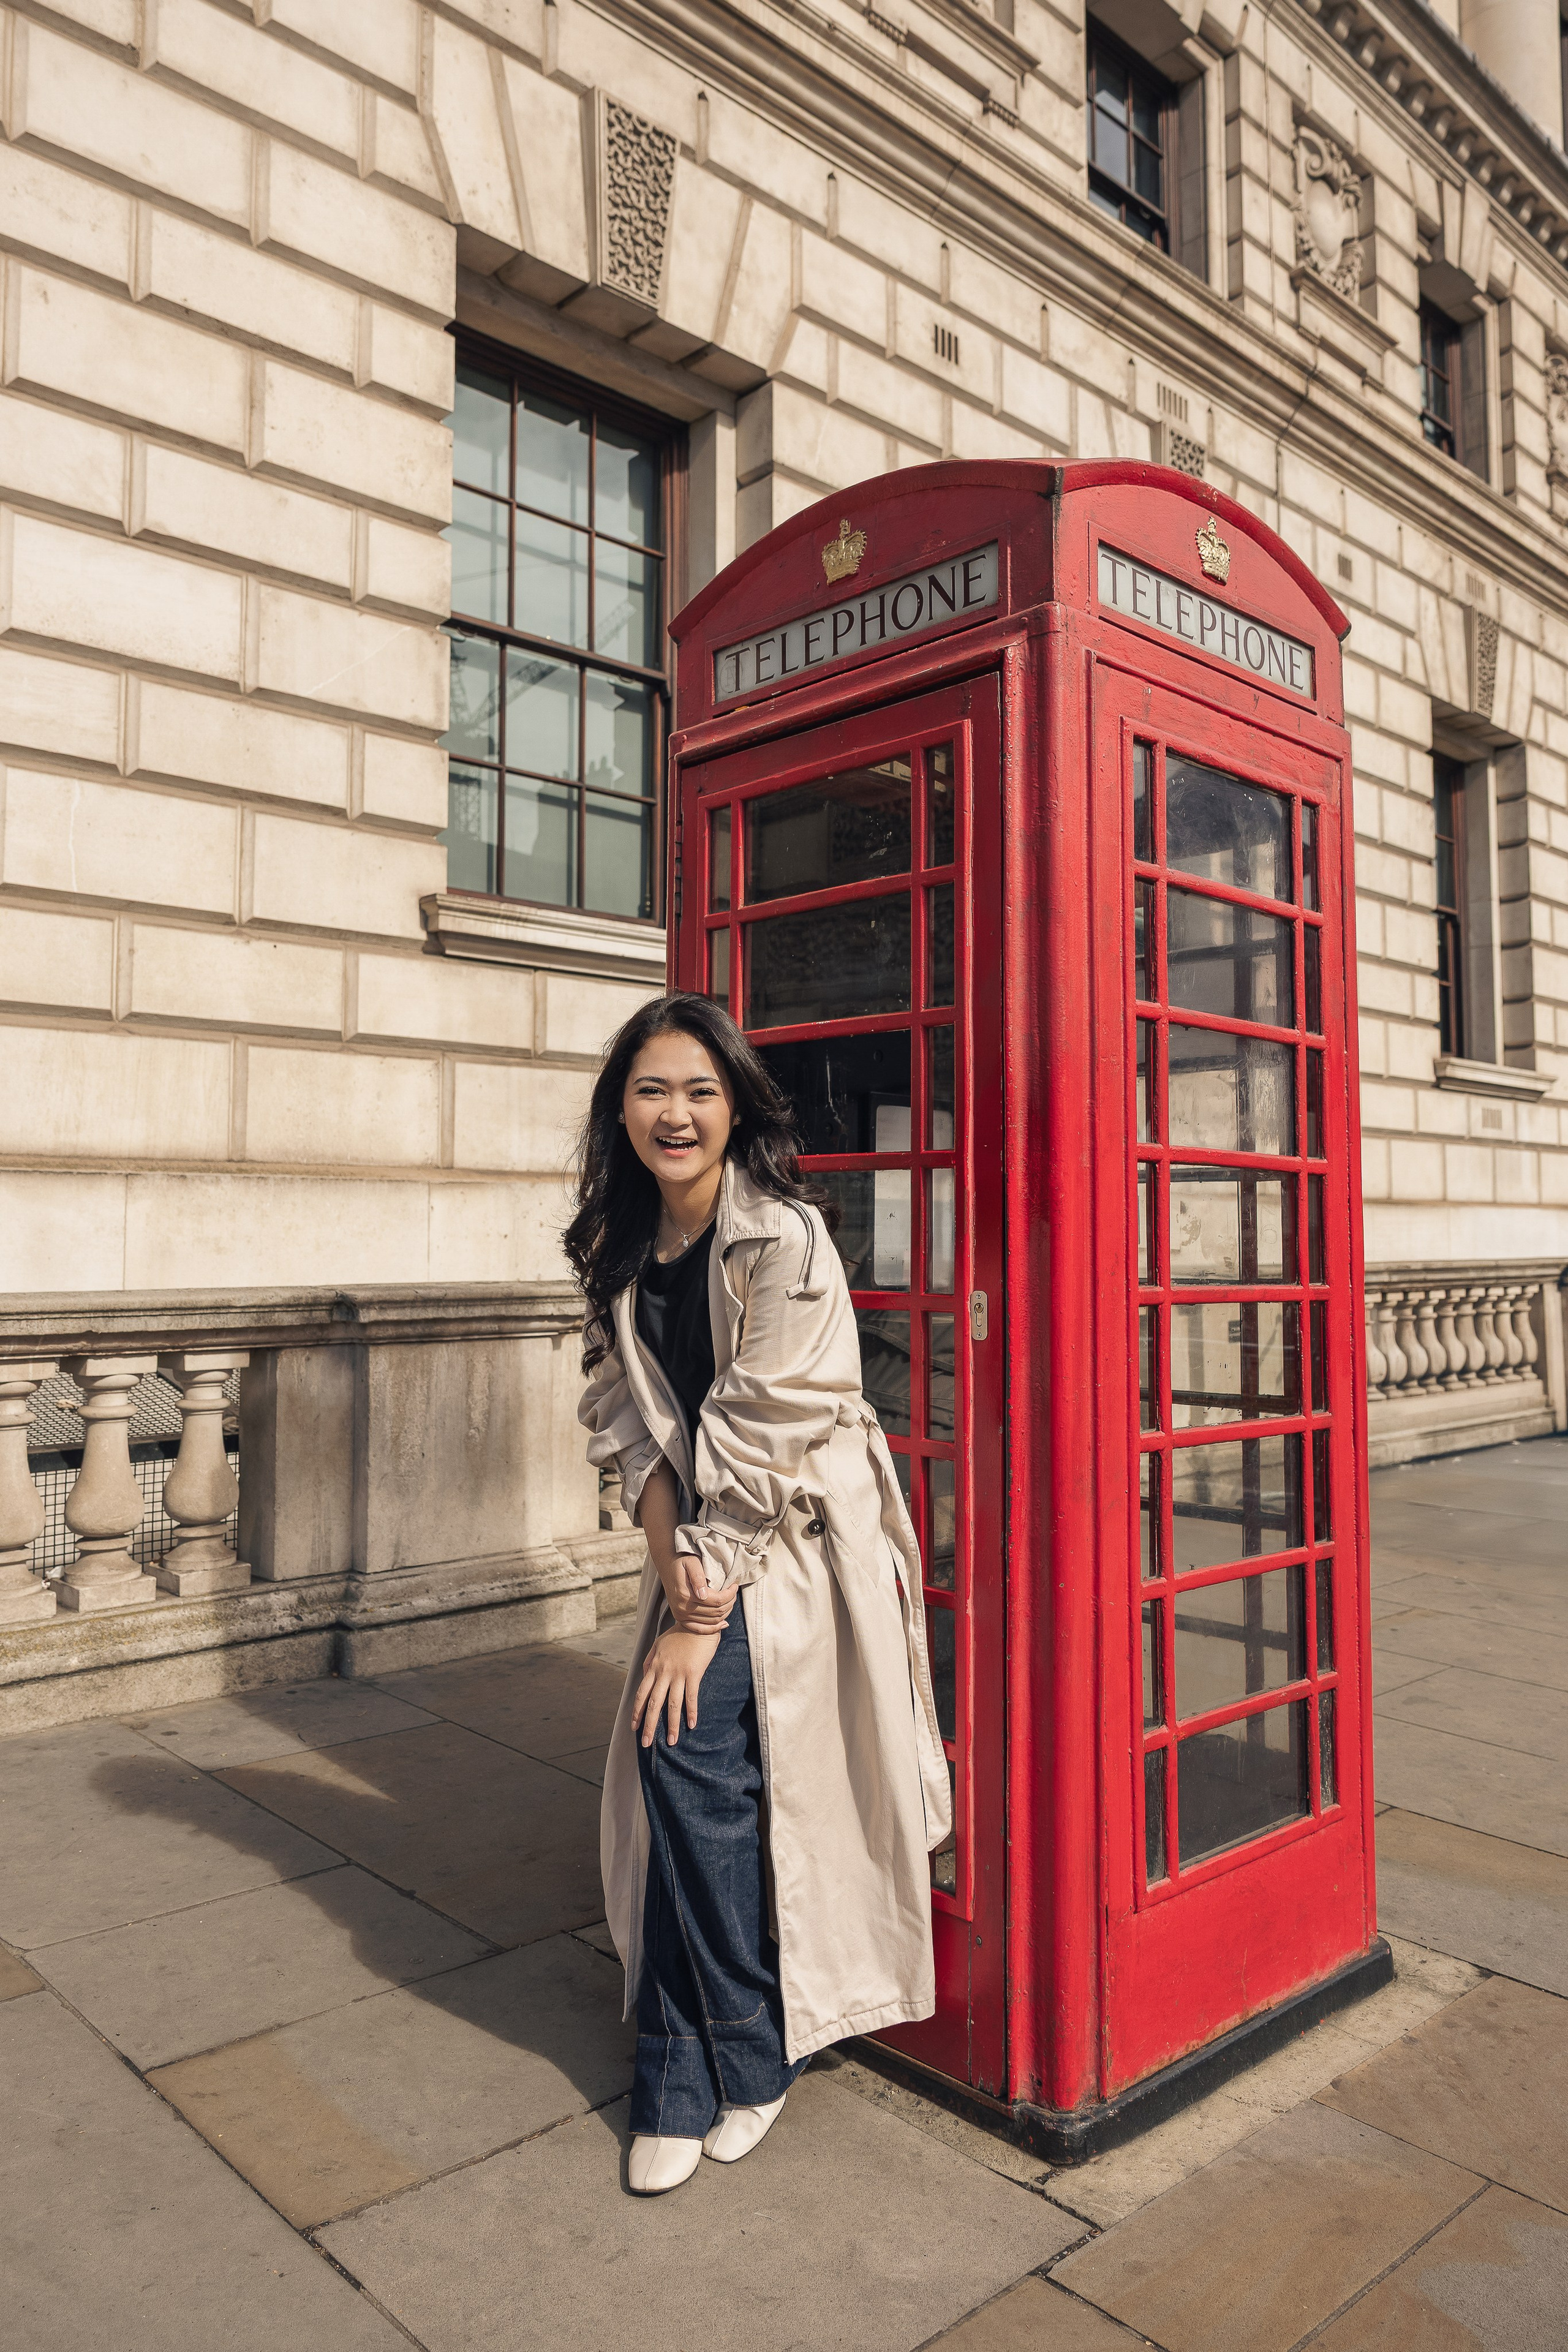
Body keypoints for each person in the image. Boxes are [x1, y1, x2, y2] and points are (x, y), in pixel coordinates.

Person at [567, 993, 951, 2196]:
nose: (672, 1114)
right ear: (618, 1107)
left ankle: (711, 2059)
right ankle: (723, 2058)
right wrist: (665, 1547)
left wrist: (693, 1615)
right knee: (688, 1781)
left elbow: (763, 1423)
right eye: (649, 1090)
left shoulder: (779, 1237)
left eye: (696, 1091)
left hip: (790, 1540)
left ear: (735, 1107)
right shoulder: (616, 1244)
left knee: (677, 1759)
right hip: (700, 1542)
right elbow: (620, 1414)